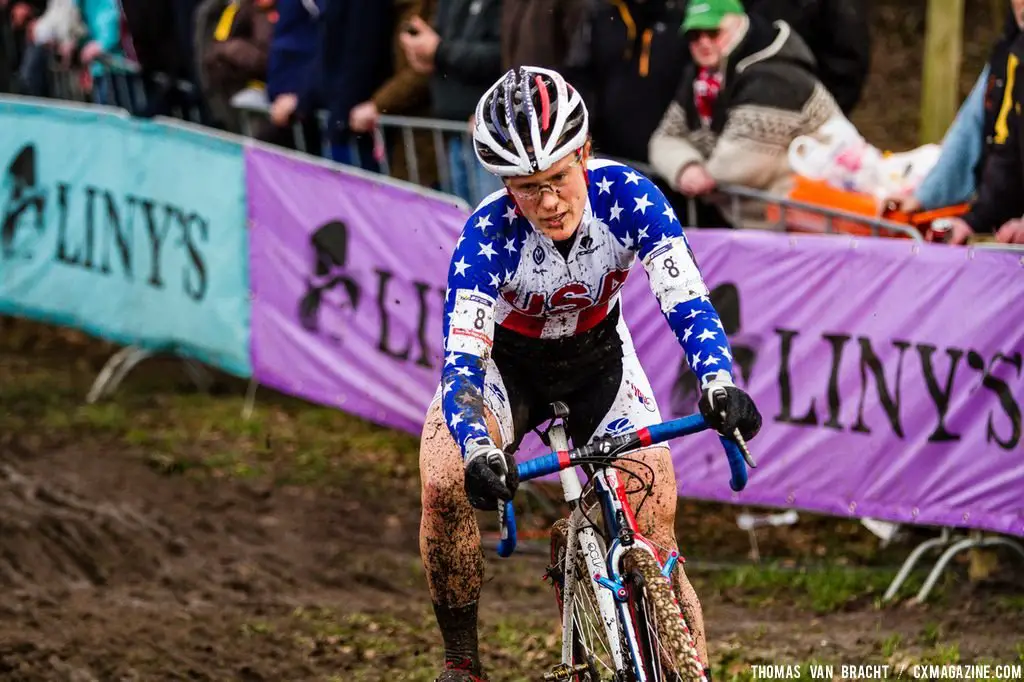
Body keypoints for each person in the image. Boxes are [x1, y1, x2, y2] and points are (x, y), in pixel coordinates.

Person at [419, 65, 763, 682]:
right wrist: (476, 448)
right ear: (503, 184)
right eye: (527, 188)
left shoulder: (629, 199)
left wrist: (718, 380)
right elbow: (463, 362)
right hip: (507, 369)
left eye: (557, 179)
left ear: (585, 154)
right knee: (444, 483)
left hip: (598, 362)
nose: (548, 202)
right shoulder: (485, 238)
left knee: (654, 526)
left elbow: (686, 301)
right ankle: (462, 661)